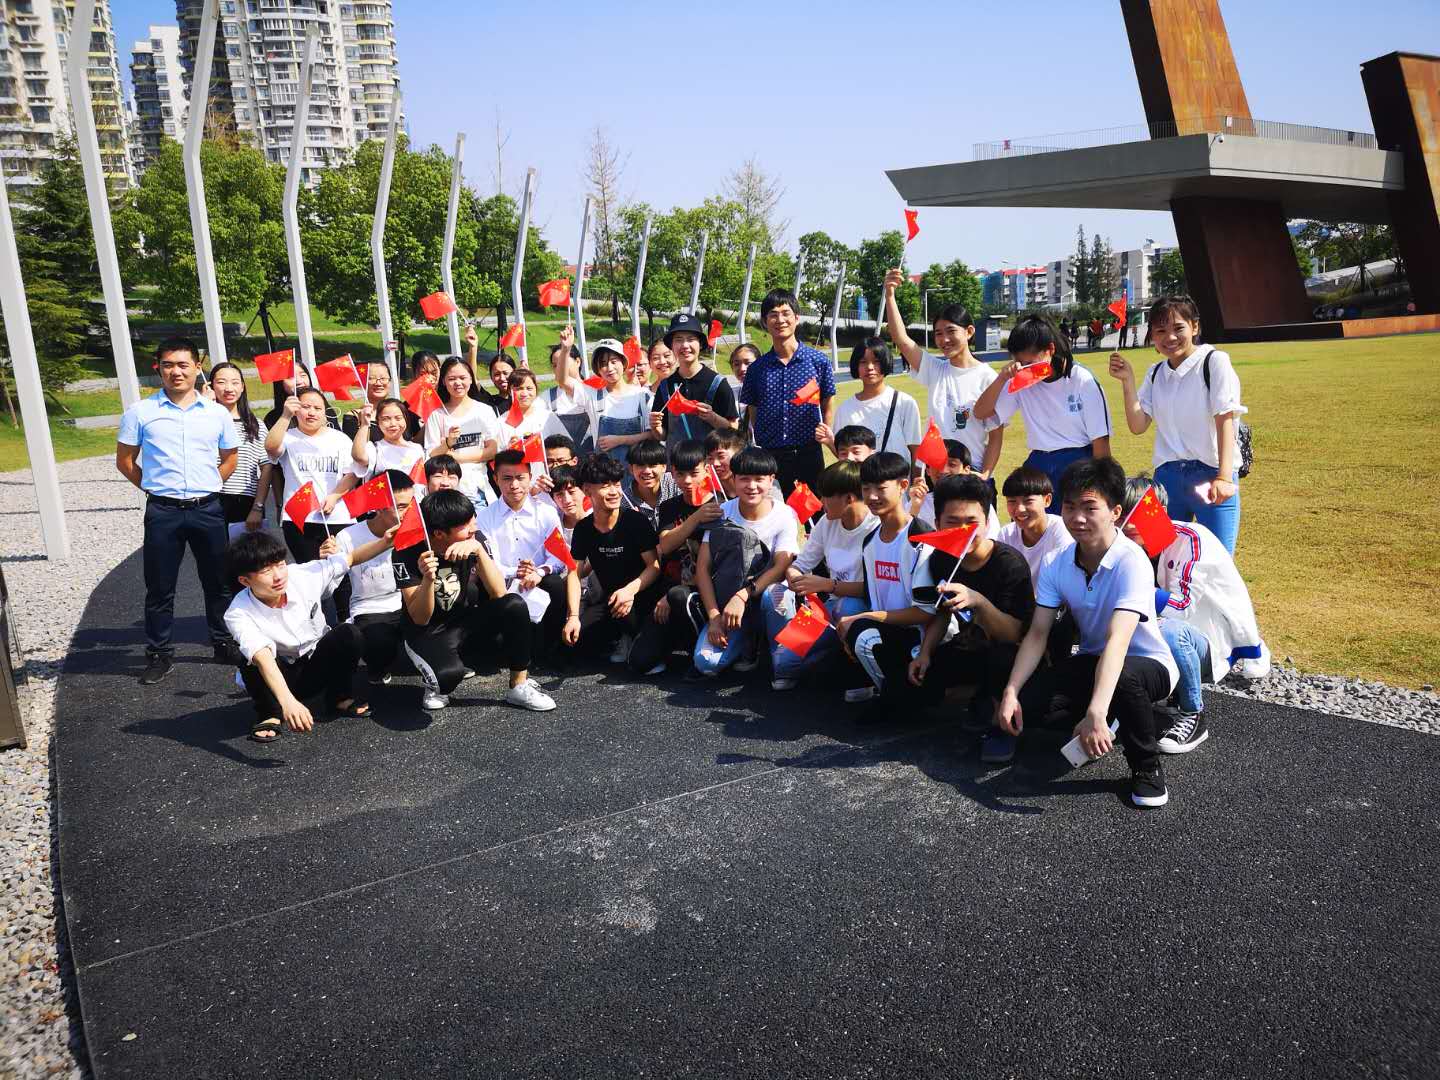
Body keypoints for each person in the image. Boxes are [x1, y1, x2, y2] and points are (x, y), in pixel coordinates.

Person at [995, 457, 1180, 808]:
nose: (1077, 518)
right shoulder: (1057, 562)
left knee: (1123, 679)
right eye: (1070, 506)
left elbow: (1118, 640)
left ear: (1115, 511)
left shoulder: (1131, 561)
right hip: (1095, 661)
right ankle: (1119, 717)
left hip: (1147, 664)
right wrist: (1011, 690)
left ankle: (1146, 765)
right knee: (1029, 703)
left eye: (1090, 507)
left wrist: (1095, 709)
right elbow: (1037, 633)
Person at [116, 338, 241, 684]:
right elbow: (125, 461)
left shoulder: (216, 413)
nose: (176, 372)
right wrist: (153, 488)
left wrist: (209, 483)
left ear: (197, 367)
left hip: (208, 508)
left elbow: (230, 457)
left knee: (218, 582)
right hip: (163, 512)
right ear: (158, 368)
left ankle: (223, 642)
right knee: (159, 587)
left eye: (183, 364)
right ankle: (159, 653)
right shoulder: (140, 412)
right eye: (168, 365)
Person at [1119, 476, 1268, 754]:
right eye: (1122, 514)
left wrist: (1130, 589)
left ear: (1160, 511)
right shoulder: (1124, 543)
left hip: (1208, 641)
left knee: (1167, 630)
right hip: (1167, 633)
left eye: (1136, 513)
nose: (1127, 524)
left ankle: (1193, 713)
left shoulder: (1192, 539)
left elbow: (1182, 608)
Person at [224, 528, 393, 741]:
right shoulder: (238, 612)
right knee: (248, 657)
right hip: (278, 677)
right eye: (266, 571)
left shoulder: (302, 575)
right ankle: (269, 713)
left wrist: (386, 540)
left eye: (280, 564)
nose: (278, 576)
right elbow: (263, 658)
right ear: (245, 581)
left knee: (349, 633)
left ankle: (339, 697)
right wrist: (288, 702)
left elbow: (350, 558)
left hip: (315, 666)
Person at [1107, 295, 1246, 553]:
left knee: (1217, 559)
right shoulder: (1156, 372)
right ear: (1152, 335)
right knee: (1156, 552)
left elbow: (1225, 419)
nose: (1170, 337)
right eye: (1160, 331)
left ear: (1195, 327)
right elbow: (1138, 425)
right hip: (1166, 477)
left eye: (1178, 328)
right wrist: (1127, 381)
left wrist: (1224, 477)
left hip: (1210, 475)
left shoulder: (1214, 361)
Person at [400, 488, 557, 712]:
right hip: (426, 632)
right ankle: (435, 675)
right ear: (439, 534)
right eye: (465, 525)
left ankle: (519, 685)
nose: (474, 527)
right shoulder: (407, 550)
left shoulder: (475, 538)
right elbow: (420, 618)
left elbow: (500, 593)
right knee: (447, 679)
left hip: (461, 621)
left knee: (514, 604)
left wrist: (479, 551)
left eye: (472, 519)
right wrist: (427, 579)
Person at [901, 475, 1035, 735]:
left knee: (1001, 658)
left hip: (1010, 654)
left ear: (987, 522)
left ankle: (998, 719)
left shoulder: (1010, 564)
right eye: (952, 523)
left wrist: (978, 601)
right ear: (937, 523)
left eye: (972, 523)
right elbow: (942, 612)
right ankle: (973, 694)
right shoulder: (941, 559)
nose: (964, 531)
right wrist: (925, 653)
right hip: (969, 647)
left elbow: (1014, 634)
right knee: (912, 688)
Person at [973, 314, 1111, 512]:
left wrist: (1101, 489)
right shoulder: (1021, 380)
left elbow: (1101, 442)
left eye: (1030, 362)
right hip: (1039, 465)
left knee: (1074, 524)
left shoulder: (1081, 380)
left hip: (1078, 464)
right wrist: (1002, 378)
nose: (1025, 368)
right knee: (1030, 523)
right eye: (1019, 362)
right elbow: (981, 412)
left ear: (1050, 350)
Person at [762, 460, 878, 690]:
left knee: (848, 606)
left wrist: (828, 585)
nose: (821, 501)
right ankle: (831, 656)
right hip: (829, 610)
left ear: (849, 498)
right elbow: (800, 563)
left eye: (826, 496)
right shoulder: (827, 523)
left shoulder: (875, 527)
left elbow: (873, 588)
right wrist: (795, 578)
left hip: (864, 609)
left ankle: (853, 670)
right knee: (782, 664)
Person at [884, 268, 1004, 482]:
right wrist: (890, 296)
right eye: (938, 333)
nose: (944, 339)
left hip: (970, 472)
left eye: (951, 331)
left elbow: (996, 434)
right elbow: (901, 340)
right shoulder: (935, 370)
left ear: (969, 331)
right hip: (936, 473)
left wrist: (985, 474)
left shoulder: (988, 377)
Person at [836, 452, 932, 714]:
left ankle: (900, 698)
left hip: (922, 639)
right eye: (866, 488)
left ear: (903, 486)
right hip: (889, 630)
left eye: (881, 488)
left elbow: (926, 612)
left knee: (861, 633)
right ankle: (893, 692)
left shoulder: (920, 537)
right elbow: (872, 598)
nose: (872, 496)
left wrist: (863, 618)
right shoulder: (870, 541)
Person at [693, 447, 801, 676]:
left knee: (776, 594)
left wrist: (742, 596)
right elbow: (702, 568)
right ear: (733, 479)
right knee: (706, 663)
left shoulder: (785, 514)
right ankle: (749, 639)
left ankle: (781, 656)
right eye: (744, 479)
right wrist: (714, 617)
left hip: (763, 599)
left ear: (771, 480)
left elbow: (781, 566)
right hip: (728, 605)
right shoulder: (722, 512)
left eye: (759, 479)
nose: (752, 486)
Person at [628, 440, 723, 676]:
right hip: (672, 586)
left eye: (694, 473)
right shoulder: (670, 506)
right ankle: (676, 641)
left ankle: (697, 654)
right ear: (672, 473)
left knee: (679, 596)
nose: (687, 481)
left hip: (709, 591)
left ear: (707, 469)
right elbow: (667, 544)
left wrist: (671, 596)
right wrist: (696, 517)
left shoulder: (721, 502)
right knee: (639, 662)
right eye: (680, 474)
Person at [474, 448, 582, 658]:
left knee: (555, 584)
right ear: (495, 479)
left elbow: (558, 556)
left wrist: (539, 572)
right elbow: (488, 561)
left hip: (539, 580)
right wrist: (516, 572)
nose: (514, 485)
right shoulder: (485, 517)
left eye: (520, 478)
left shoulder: (547, 512)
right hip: (503, 583)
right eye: (507, 478)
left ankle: (552, 650)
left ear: (530, 477)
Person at [319, 469, 416, 686]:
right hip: (369, 608)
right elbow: (327, 590)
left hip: (408, 601)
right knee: (380, 643)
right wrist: (328, 563)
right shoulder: (348, 537)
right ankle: (377, 665)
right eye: (400, 506)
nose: (408, 511)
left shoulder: (417, 530)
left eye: (411, 504)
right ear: (379, 506)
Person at [569, 453, 666, 664]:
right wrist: (573, 617)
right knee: (575, 644)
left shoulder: (635, 521)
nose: (614, 491)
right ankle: (620, 636)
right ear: (587, 490)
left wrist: (629, 591)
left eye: (617, 484)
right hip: (612, 601)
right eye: (605, 486)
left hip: (644, 598)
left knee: (643, 662)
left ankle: (637, 639)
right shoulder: (583, 528)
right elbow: (574, 574)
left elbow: (654, 567)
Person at [739, 290, 836, 496]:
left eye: (786, 313)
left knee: (815, 508)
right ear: (765, 321)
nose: (780, 320)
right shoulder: (756, 369)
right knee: (774, 509)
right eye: (773, 315)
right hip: (770, 457)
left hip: (808, 453)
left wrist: (825, 432)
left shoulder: (818, 362)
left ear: (797, 318)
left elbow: (828, 401)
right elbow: (754, 410)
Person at [265, 388, 357, 599]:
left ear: (326, 412)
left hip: (338, 518)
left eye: (317, 408)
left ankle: (344, 618)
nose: (311, 412)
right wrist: (285, 415)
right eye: (305, 407)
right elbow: (270, 447)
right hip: (300, 519)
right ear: (296, 410)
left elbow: (352, 474)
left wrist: (334, 496)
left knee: (343, 578)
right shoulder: (288, 437)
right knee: (311, 579)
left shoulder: (340, 439)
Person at [649, 313, 740, 454]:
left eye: (691, 339)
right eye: (678, 340)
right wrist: (656, 427)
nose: (685, 345)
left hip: (709, 462)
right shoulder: (665, 386)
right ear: (672, 346)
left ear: (700, 344)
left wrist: (713, 418)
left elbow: (734, 429)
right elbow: (663, 435)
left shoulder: (718, 383)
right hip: (676, 463)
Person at [422, 357, 500, 515]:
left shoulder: (484, 411)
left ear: (471, 379)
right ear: (443, 381)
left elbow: (492, 450)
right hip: (448, 492)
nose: (458, 383)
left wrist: (454, 456)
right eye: (452, 379)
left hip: (478, 488)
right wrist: (447, 443)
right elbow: (431, 456)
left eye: (463, 377)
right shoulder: (437, 415)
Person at [209, 361, 275, 543]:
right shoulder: (203, 421)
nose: (228, 388)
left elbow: (267, 467)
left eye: (235, 382)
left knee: (247, 556)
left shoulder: (255, 424)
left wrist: (258, 507)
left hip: (245, 501)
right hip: (210, 500)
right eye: (221, 382)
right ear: (211, 386)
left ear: (243, 387)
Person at [827, 337, 922, 460]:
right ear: (856, 365)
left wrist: (916, 473)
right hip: (859, 474)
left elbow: (916, 451)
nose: (870, 367)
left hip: (897, 472)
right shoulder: (844, 409)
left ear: (886, 362)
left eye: (876, 361)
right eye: (863, 362)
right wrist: (829, 442)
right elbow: (844, 455)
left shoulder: (904, 403)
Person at [995, 465, 1072, 591]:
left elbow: (1064, 584)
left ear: (1047, 500)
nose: (1020, 509)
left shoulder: (1062, 530)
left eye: (1028, 501)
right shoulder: (1006, 534)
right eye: (1012, 501)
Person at [909, 440, 1001, 539]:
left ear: (966, 470)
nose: (944, 471)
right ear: (927, 470)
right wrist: (915, 507)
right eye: (937, 464)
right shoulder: (917, 502)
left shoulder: (978, 503)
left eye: (952, 464)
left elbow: (993, 539)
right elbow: (903, 538)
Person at [588, 336, 653, 463]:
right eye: (603, 364)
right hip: (605, 472)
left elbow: (653, 435)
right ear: (598, 369)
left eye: (614, 361)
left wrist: (620, 440)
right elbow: (565, 381)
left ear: (623, 363)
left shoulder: (642, 396)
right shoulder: (593, 397)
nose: (609, 368)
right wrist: (566, 349)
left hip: (637, 469)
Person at [545, 330, 598, 453]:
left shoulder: (594, 391)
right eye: (555, 365)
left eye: (563, 363)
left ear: (578, 362)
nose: (559, 368)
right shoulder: (547, 397)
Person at [350, 397, 425, 482]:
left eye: (398, 418)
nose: (393, 424)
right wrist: (364, 424)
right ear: (378, 422)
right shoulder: (375, 449)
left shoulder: (417, 448)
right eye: (386, 419)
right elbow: (359, 457)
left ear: (405, 419)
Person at [621, 439, 681, 531]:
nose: (647, 471)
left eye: (653, 465)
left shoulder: (676, 482)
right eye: (640, 465)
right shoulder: (624, 502)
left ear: (664, 467)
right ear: (631, 469)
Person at [264, 363, 340, 434]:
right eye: (290, 377)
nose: (299, 381)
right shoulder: (272, 418)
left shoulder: (326, 410)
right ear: (280, 383)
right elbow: (272, 443)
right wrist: (285, 416)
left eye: (303, 375)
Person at [704, 428, 745, 500]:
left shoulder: (754, 490)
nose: (715, 464)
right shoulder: (708, 496)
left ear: (739, 454)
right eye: (710, 458)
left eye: (721, 456)